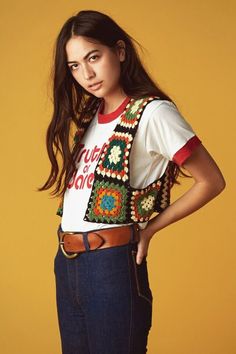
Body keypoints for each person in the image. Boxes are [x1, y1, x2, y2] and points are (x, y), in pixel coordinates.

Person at [38, 9, 226, 354]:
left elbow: (211, 181)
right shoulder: (91, 120)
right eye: (75, 65)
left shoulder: (152, 113)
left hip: (110, 266)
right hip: (67, 265)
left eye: (94, 57)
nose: (87, 73)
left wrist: (150, 228)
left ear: (120, 52)